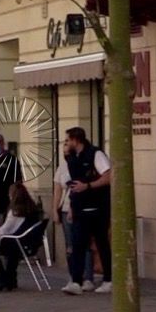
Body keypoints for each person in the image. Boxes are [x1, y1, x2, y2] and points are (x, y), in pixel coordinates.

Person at [56, 127, 112, 296]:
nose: (66, 144)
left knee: (101, 243)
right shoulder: (73, 158)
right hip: (80, 207)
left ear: (75, 140)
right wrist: (72, 208)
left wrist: (88, 186)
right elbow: (74, 186)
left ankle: (108, 279)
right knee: (77, 244)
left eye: (68, 140)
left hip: (98, 208)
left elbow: (108, 176)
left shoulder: (95, 154)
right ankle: (76, 281)